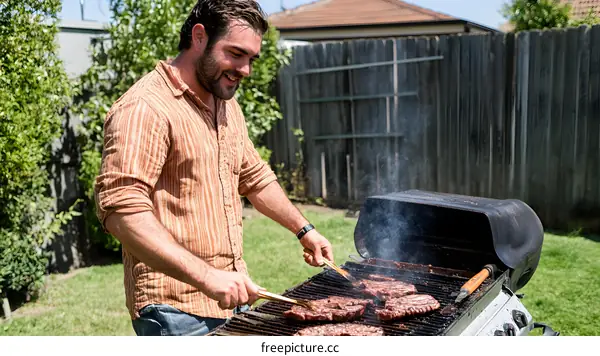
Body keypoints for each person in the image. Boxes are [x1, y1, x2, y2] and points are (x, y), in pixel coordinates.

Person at [94, 0, 334, 336]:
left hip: (232, 297)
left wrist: (304, 230)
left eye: (251, 59)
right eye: (236, 54)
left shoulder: (225, 103)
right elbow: (121, 210)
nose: (246, 69)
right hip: (175, 311)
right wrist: (207, 277)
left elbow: (254, 177)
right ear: (200, 37)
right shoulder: (145, 107)